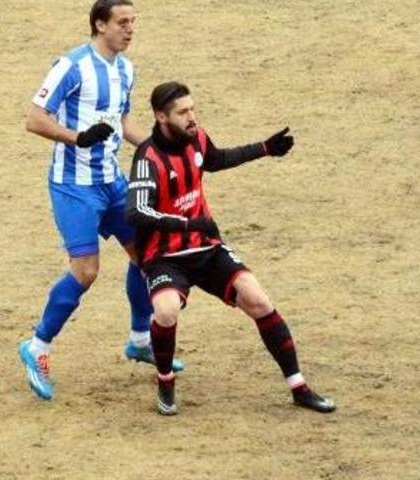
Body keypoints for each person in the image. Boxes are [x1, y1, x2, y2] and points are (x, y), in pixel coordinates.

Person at [125, 81, 336, 415]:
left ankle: (299, 387)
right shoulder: (147, 158)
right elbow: (137, 211)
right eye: (182, 112)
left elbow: (216, 159)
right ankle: (165, 381)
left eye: (192, 109)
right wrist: (187, 224)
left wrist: (265, 148)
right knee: (166, 311)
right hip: (165, 257)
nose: (191, 117)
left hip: (206, 247)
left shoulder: (197, 138)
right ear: (161, 117)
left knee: (258, 300)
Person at [19, 0, 183, 401]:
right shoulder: (72, 66)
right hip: (74, 186)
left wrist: (161, 149)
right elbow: (34, 118)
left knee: (146, 256)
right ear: (99, 25)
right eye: (122, 22)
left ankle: (139, 339)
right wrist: (77, 138)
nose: (130, 29)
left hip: (112, 182)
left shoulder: (126, 69)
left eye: (133, 22)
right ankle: (37, 346)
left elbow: (121, 121)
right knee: (86, 271)